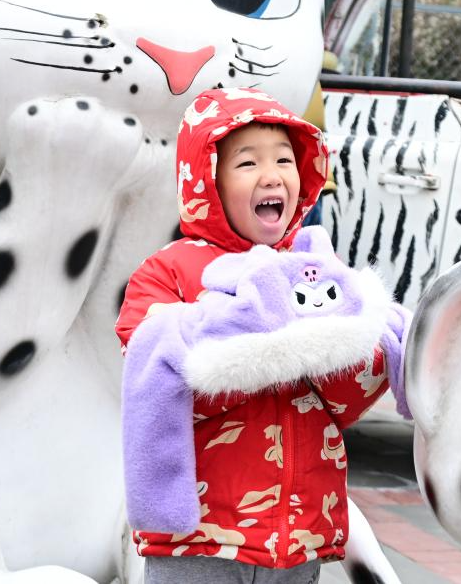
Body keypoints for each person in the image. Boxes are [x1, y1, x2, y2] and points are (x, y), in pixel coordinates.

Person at [115, 88, 390, 584]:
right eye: (247, 163)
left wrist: (351, 341)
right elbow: (155, 386)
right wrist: (265, 333)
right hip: (199, 538)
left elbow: (349, 400)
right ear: (208, 182)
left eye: (284, 159)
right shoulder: (168, 273)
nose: (272, 175)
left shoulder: (315, 272)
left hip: (300, 536)